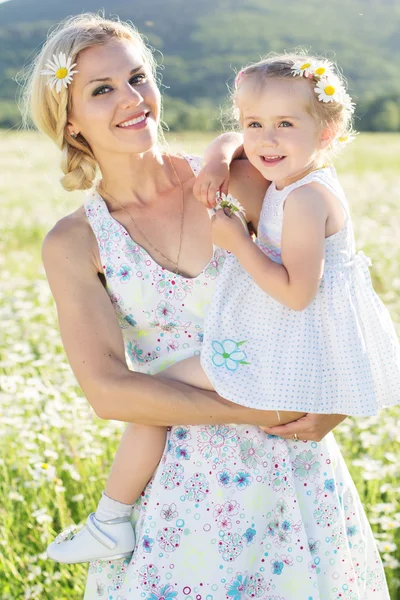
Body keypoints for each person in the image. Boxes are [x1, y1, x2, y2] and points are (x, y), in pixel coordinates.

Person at [24, 14, 390, 599]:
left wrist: (333, 406)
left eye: (138, 77)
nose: (132, 99)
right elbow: (107, 390)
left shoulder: (244, 182)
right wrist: (264, 412)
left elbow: (331, 300)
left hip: (293, 479)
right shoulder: (75, 242)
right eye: (102, 89)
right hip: (176, 495)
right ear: (70, 124)